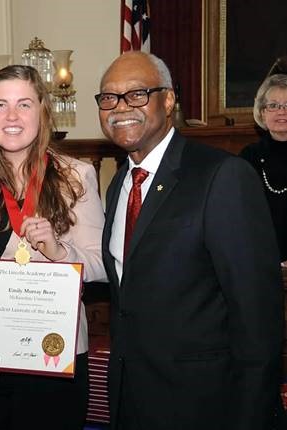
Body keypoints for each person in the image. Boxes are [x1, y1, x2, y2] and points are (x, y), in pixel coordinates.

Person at [97, 51, 285, 429]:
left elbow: (257, 317)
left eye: (137, 94)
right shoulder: (119, 184)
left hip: (205, 407)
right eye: (109, 98)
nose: (120, 107)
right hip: (131, 402)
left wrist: (252, 416)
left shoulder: (223, 176)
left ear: (168, 101)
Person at [0, 64, 106, 429]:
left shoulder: (76, 175)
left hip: (50, 359)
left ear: (43, 111)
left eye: (24, 104)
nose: (10, 115)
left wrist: (58, 251)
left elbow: (104, 266)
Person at [239, 73, 287, 263]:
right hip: (260, 257)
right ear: (262, 112)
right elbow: (240, 214)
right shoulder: (248, 157)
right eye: (273, 105)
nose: (282, 111)